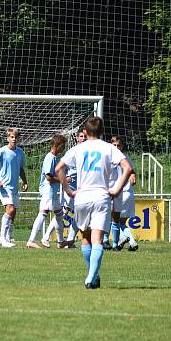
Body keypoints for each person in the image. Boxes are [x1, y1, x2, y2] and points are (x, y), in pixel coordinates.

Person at [55, 116, 133, 289]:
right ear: (102, 131)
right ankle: (92, 276)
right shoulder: (108, 148)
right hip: (101, 196)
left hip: (82, 197)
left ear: (85, 132)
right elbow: (128, 168)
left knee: (86, 238)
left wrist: (68, 190)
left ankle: (92, 275)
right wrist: (117, 189)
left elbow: (58, 169)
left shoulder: (78, 149)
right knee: (97, 239)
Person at [42, 128, 85, 248]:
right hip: (69, 188)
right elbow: (62, 167)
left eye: (85, 136)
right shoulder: (73, 152)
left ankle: (69, 241)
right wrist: (65, 179)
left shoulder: (90, 151)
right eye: (81, 136)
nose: (83, 138)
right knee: (62, 212)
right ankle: (46, 236)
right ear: (77, 138)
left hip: (82, 188)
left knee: (79, 214)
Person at [0, 128, 28, 248]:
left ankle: (9, 236)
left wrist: (24, 181)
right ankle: (2, 238)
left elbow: (20, 168)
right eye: (12, 137)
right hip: (3, 186)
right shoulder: (1, 151)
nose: (14, 139)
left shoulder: (20, 152)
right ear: (8, 138)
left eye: (16, 137)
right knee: (9, 209)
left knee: (13, 212)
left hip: (13, 186)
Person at [26, 134, 66, 248]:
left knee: (59, 214)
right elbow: (48, 177)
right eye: (63, 146)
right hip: (48, 190)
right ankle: (31, 240)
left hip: (53, 191)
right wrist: (63, 180)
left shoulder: (54, 158)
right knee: (43, 213)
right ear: (57, 145)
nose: (63, 149)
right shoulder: (50, 158)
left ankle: (61, 241)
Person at [109, 135, 139, 251]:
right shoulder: (126, 158)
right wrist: (132, 177)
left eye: (118, 145)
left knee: (113, 220)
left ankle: (122, 238)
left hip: (121, 193)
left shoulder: (112, 158)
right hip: (129, 193)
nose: (116, 147)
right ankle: (132, 242)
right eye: (114, 145)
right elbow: (132, 174)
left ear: (122, 146)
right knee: (122, 222)